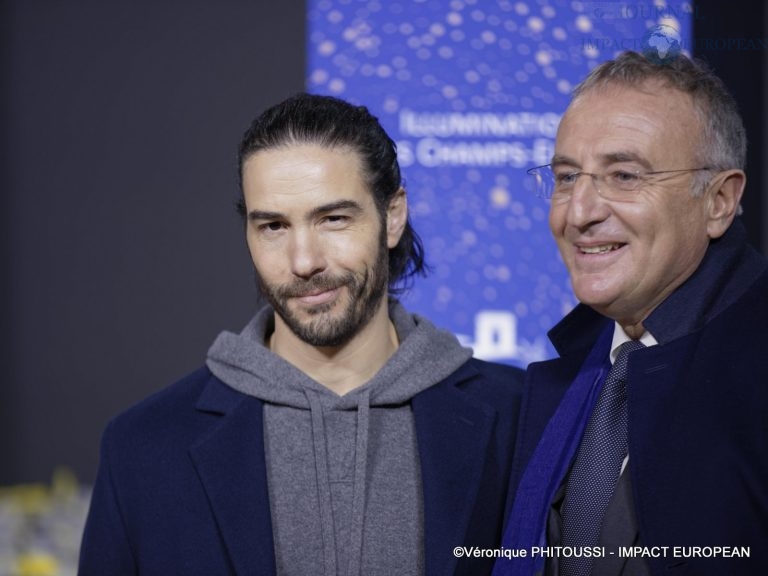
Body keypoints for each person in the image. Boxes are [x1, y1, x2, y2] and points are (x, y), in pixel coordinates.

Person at [79, 93, 525, 576]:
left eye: (333, 219)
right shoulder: (143, 446)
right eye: (273, 226)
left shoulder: (519, 418)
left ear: (392, 217)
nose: (303, 261)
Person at [495, 51, 767, 576]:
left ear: (719, 201)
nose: (580, 212)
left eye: (624, 176)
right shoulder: (569, 375)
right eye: (568, 177)